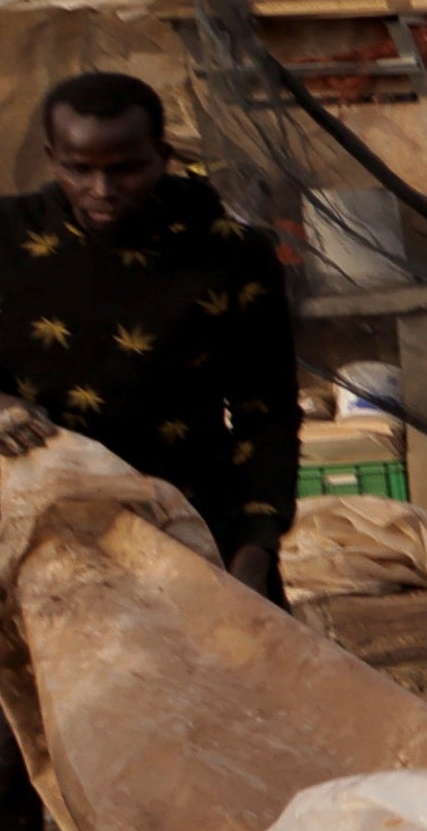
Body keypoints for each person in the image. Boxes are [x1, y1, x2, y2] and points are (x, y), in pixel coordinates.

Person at [5, 69, 300, 606]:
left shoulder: (229, 253)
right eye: (79, 169)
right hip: (37, 537)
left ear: (163, 155)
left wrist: (256, 550)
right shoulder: (7, 240)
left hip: (189, 525)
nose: (102, 191)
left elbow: (268, 411)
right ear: (52, 158)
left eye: (127, 169)